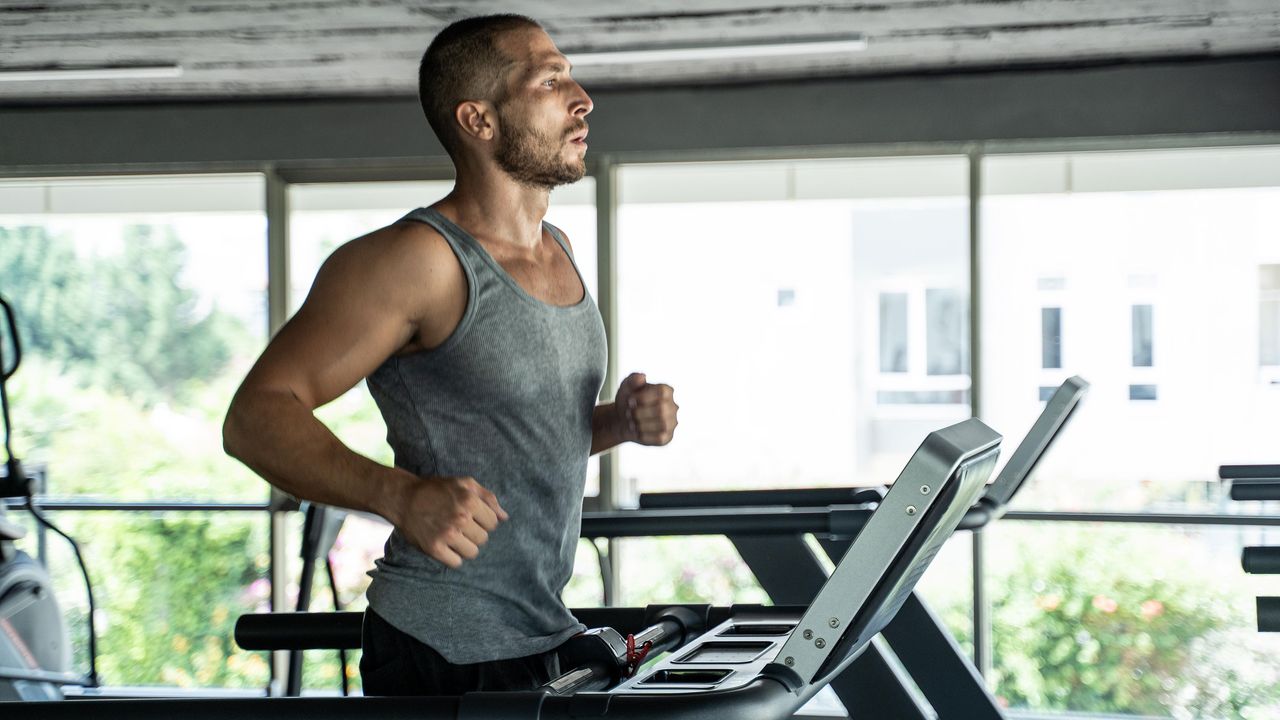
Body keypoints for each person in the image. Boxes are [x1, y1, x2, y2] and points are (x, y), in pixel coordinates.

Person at [222, 14, 679, 697]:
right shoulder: (415, 262)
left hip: (539, 631)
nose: (582, 98)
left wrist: (620, 423)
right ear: (479, 120)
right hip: (440, 648)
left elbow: (515, 437)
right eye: (550, 80)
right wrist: (397, 494)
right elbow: (254, 418)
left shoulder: (560, 253)